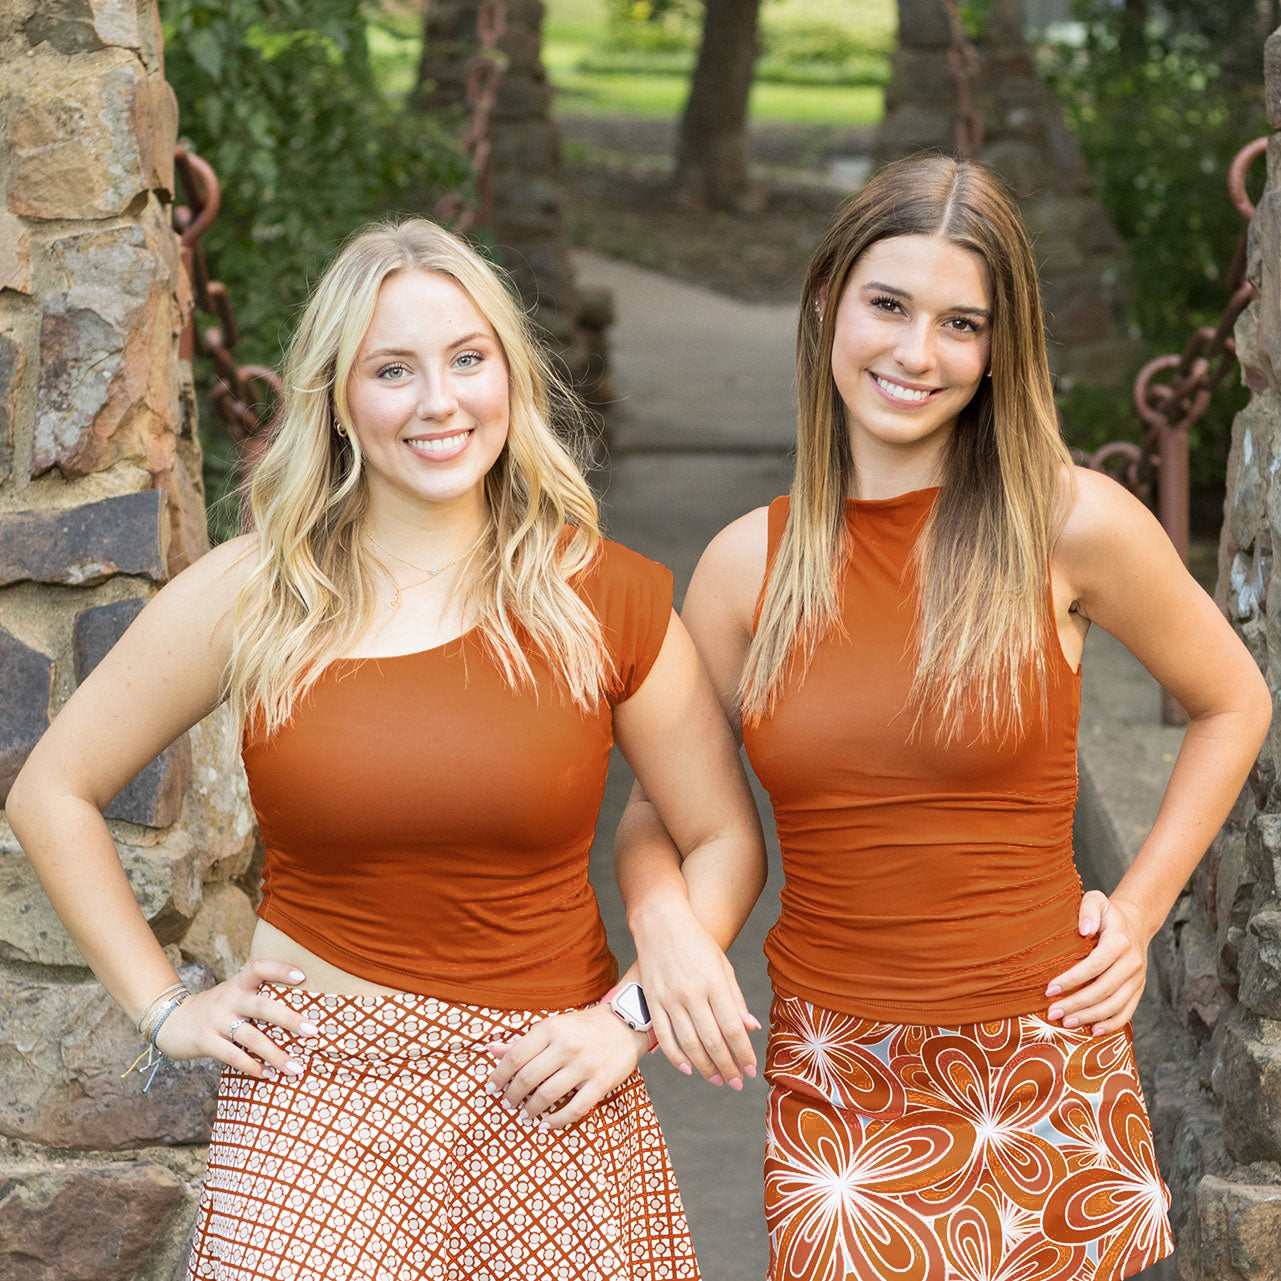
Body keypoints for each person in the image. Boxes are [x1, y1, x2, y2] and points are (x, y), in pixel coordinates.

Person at [7, 218, 767, 1281]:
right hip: (319, 1094)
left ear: (509, 374)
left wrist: (627, 1020)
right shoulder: (257, 591)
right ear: (336, 397)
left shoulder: (598, 592)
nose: (439, 402)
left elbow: (724, 836)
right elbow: (52, 793)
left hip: (547, 1082)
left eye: (467, 359)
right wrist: (167, 1007)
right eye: (393, 370)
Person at [614, 154, 1272, 1281]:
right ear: (827, 302)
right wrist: (665, 923)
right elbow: (659, 810)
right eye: (888, 304)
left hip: (1044, 1061)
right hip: (838, 1074)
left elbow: (1234, 699)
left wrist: (1143, 904)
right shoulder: (743, 568)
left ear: (998, 349)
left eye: (961, 323)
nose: (918, 353)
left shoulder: (1072, 524)